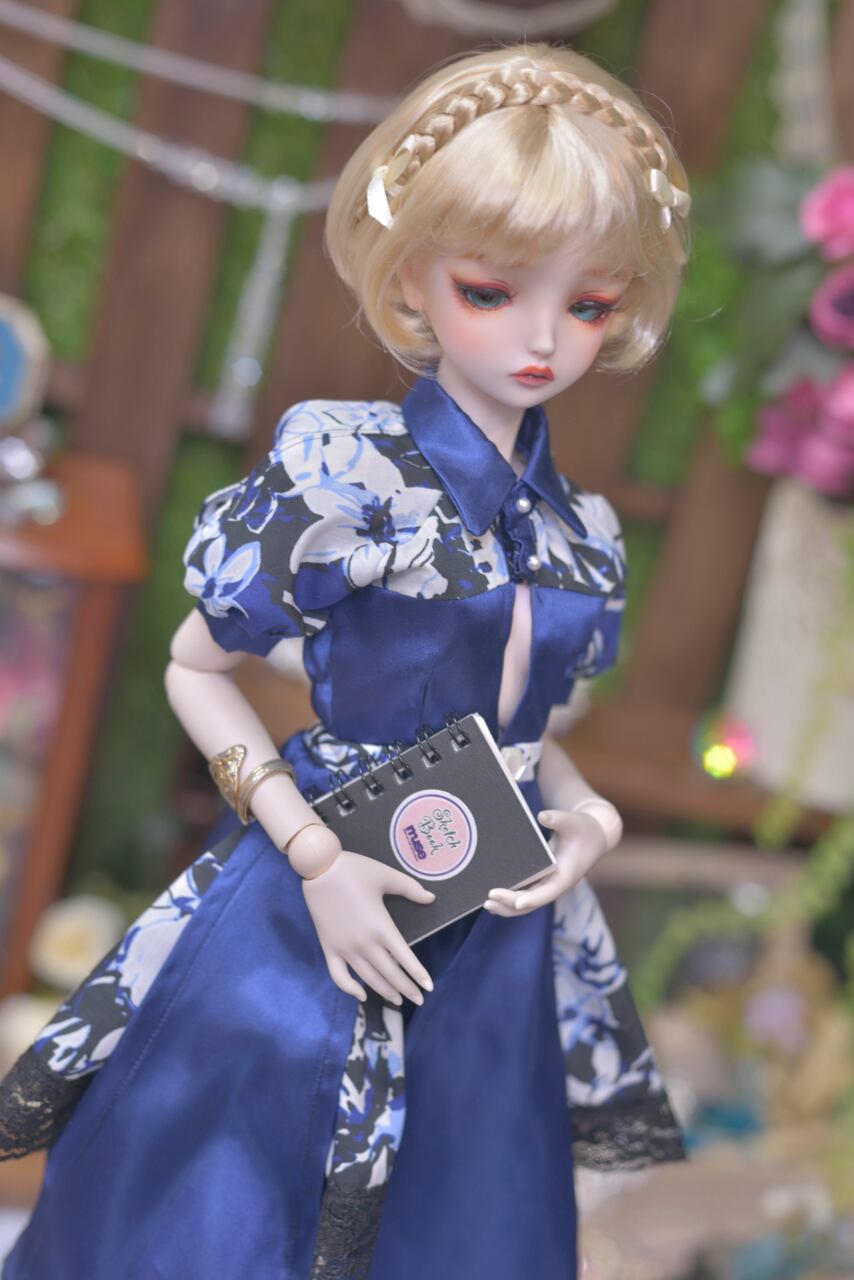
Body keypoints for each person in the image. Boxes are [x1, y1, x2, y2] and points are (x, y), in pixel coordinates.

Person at [0, 42, 690, 1280]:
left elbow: (528, 730)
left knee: (461, 1214)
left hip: (496, 923)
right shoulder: (347, 468)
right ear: (412, 277)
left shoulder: (580, 533)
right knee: (232, 1204)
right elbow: (195, 666)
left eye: (586, 304)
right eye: (491, 290)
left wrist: (585, 815)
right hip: (317, 903)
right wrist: (314, 856)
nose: (542, 338)